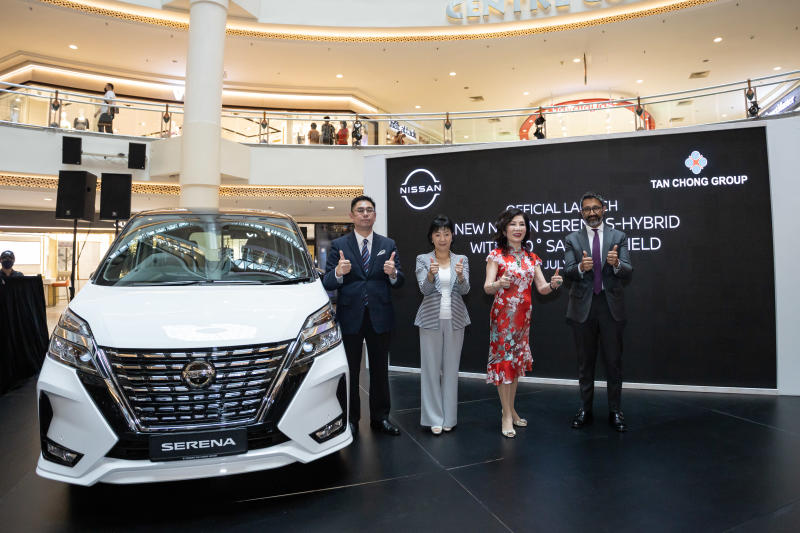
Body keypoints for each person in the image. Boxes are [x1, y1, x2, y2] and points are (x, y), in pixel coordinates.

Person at [323, 195, 405, 436]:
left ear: (375, 216)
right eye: (360, 210)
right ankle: (350, 420)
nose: (365, 214)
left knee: (380, 371)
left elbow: (400, 281)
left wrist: (393, 274)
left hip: (380, 317)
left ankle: (381, 418)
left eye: (370, 210)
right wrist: (338, 272)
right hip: (350, 317)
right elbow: (327, 281)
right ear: (352, 216)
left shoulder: (387, 244)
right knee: (350, 371)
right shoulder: (340, 245)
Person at [483, 208, 563, 438]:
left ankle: (512, 409)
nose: (518, 228)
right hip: (503, 319)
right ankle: (506, 415)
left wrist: (555, 284)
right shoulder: (496, 255)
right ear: (504, 229)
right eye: (513, 224)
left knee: (515, 365)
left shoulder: (531, 258)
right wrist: (499, 283)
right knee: (504, 364)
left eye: (522, 224)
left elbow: (542, 288)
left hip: (523, 320)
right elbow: (487, 287)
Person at [563, 192, 633, 432]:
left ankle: (615, 411)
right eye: (586, 209)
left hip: (610, 306)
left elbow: (628, 270)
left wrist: (616, 264)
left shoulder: (619, 236)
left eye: (595, 208)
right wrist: (580, 268)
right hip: (583, 307)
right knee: (585, 363)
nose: (591, 213)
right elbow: (568, 270)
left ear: (604, 209)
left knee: (613, 363)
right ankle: (585, 409)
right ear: (581, 213)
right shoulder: (572, 238)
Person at [414, 215, 470, 435]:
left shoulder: (461, 259)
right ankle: (433, 418)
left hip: (455, 319)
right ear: (432, 237)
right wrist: (429, 275)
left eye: (446, 233)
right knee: (430, 371)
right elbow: (424, 290)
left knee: (451, 370)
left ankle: (449, 417)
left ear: (452, 236)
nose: (443, 238)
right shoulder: (423, 259)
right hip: (429, 320)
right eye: (438, 234)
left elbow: (465, 290)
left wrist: (461, 277)